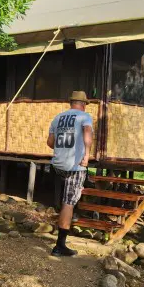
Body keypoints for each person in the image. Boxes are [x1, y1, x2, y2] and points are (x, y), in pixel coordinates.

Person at [46, 90, 93, 257]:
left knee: (70, 196)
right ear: (83, 104)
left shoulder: (58, 118)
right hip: (74, 166)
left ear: (71, 102)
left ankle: (72, 213)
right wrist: (86, 155)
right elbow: (87, 135)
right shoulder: (84, 117)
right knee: (69, 202)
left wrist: (63, 148)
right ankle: (60, 246)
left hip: (58, 165)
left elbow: (50, 142)